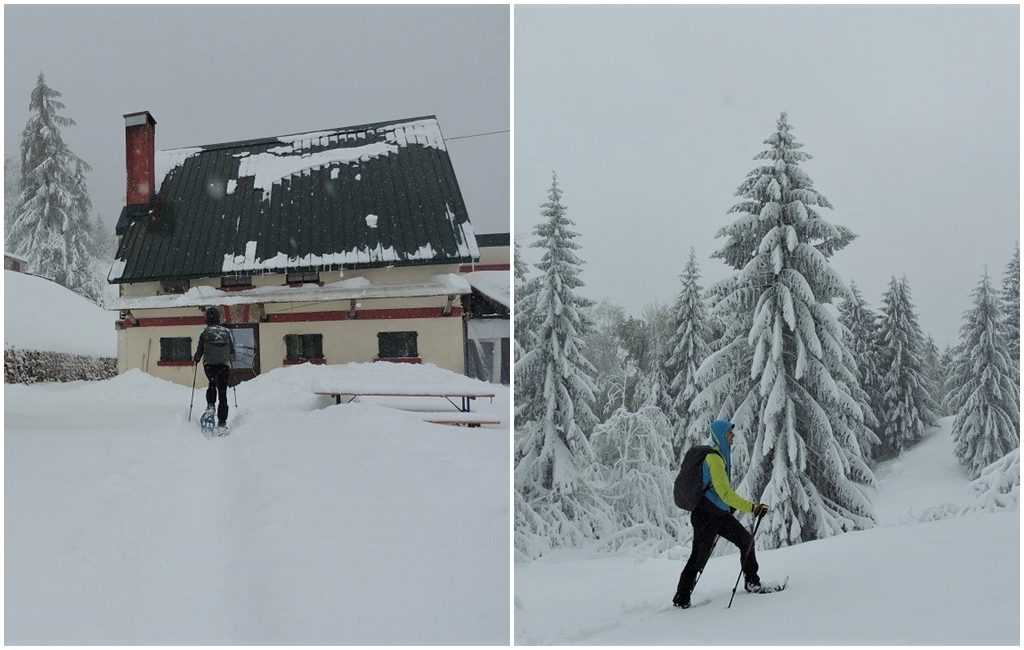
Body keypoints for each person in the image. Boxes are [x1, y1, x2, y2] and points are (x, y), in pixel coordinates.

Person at [673, 419, 770, 609]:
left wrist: (727, 507)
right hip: (705, 517)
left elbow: (718, 492)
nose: (733, 436)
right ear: (721, 436)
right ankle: (681, 597)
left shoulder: (720, 456)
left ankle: (752, 581)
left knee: (746, 541)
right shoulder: (714, 459)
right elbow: (725, 492)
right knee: (698, 556)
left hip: (718, 514)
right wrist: (753, 508)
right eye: (729, 434)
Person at [193, 307, 235, 428]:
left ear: (207, 318)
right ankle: (222, 422)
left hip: (210, 365)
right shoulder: (226, 331)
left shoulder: (205, 332)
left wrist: (196, 359)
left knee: (212, 383)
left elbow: (199, 351)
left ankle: (211, 406)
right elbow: (232, 351)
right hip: (224, 365)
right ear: (218, 318)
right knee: (223, 392)